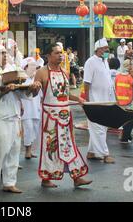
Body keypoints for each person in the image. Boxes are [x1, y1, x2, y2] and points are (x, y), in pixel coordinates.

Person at [0, 44, 38, 193]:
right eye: (1, 53)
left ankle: (9, 182)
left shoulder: (12, 71)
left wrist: (31, 89)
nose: (5, 55)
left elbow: (22, 94)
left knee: (14, 149)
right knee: (0, 150)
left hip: (14, 115)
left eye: (6, 53)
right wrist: (5, 89)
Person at [34, 43, 91, 188]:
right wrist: (35, 87)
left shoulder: (65, 72)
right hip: (50, 116)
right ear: (48, 56)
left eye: (61, 53)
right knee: (50, 147)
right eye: (57, 53)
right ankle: (46, 178)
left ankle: (76, 177)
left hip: (65, 116)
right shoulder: (41, 72)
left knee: (69, 145)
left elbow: (65, 94)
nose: (60, 55)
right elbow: (33, 93)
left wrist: (78, 99)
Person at [84, 38, 116, 164]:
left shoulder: (105, 61)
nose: (107, 51)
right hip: (94, 102)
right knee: (98, 128)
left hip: (106, 101)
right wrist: (87, 102)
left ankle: (92, 152)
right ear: (98, 49)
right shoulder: (90, 62)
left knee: (101, 127)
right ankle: (105, 154)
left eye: (107, 49)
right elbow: (86, 83)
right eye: (104, 49)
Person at [21, 57, 43, 159]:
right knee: (28, 129)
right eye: (32, 66)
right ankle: (27, 151)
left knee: (34, 129)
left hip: (36, 109)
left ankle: (31, 150)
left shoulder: (37, 79)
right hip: (26, 110)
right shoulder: (21, 79)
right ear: (25, 67)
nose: (34, 68)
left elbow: (41, 95)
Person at [116, 59, 133, 144]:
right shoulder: (130, 78)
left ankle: (127, 136)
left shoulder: (118, 76)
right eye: (132, 64)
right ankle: (125, 138)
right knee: (130, 120)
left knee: (125, 120)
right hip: (129, 103)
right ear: (129, 67)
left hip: (119, 103)